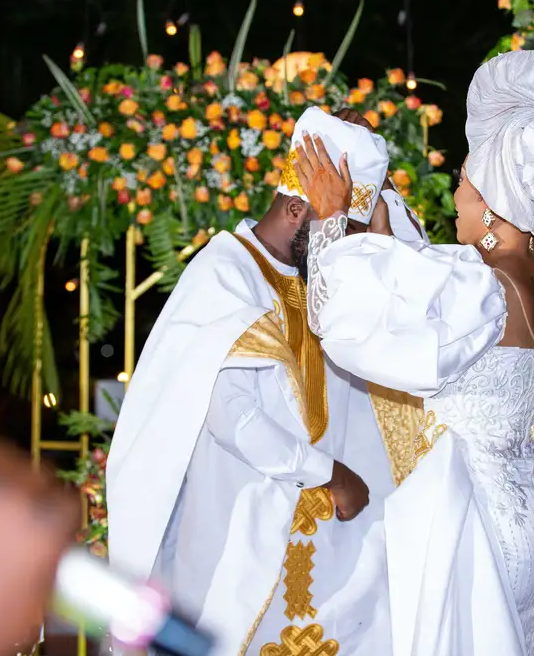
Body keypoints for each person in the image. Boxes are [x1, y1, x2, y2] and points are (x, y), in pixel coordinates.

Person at [297, 50, 534, 656]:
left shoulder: (479, 286)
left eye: (462, 181)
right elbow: (427, 279)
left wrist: (331, 222)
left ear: (489, 202)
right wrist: (380, 227)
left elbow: (345, 321)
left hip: (475, 517)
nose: (455, 195)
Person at [106, 107, 401, 655]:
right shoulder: (224, 275)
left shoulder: (314, 279)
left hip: (323, 552)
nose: (341, 251)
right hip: (236, 539)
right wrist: (329, 473)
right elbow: (234, 420)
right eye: (333, 231)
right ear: (295, 208)